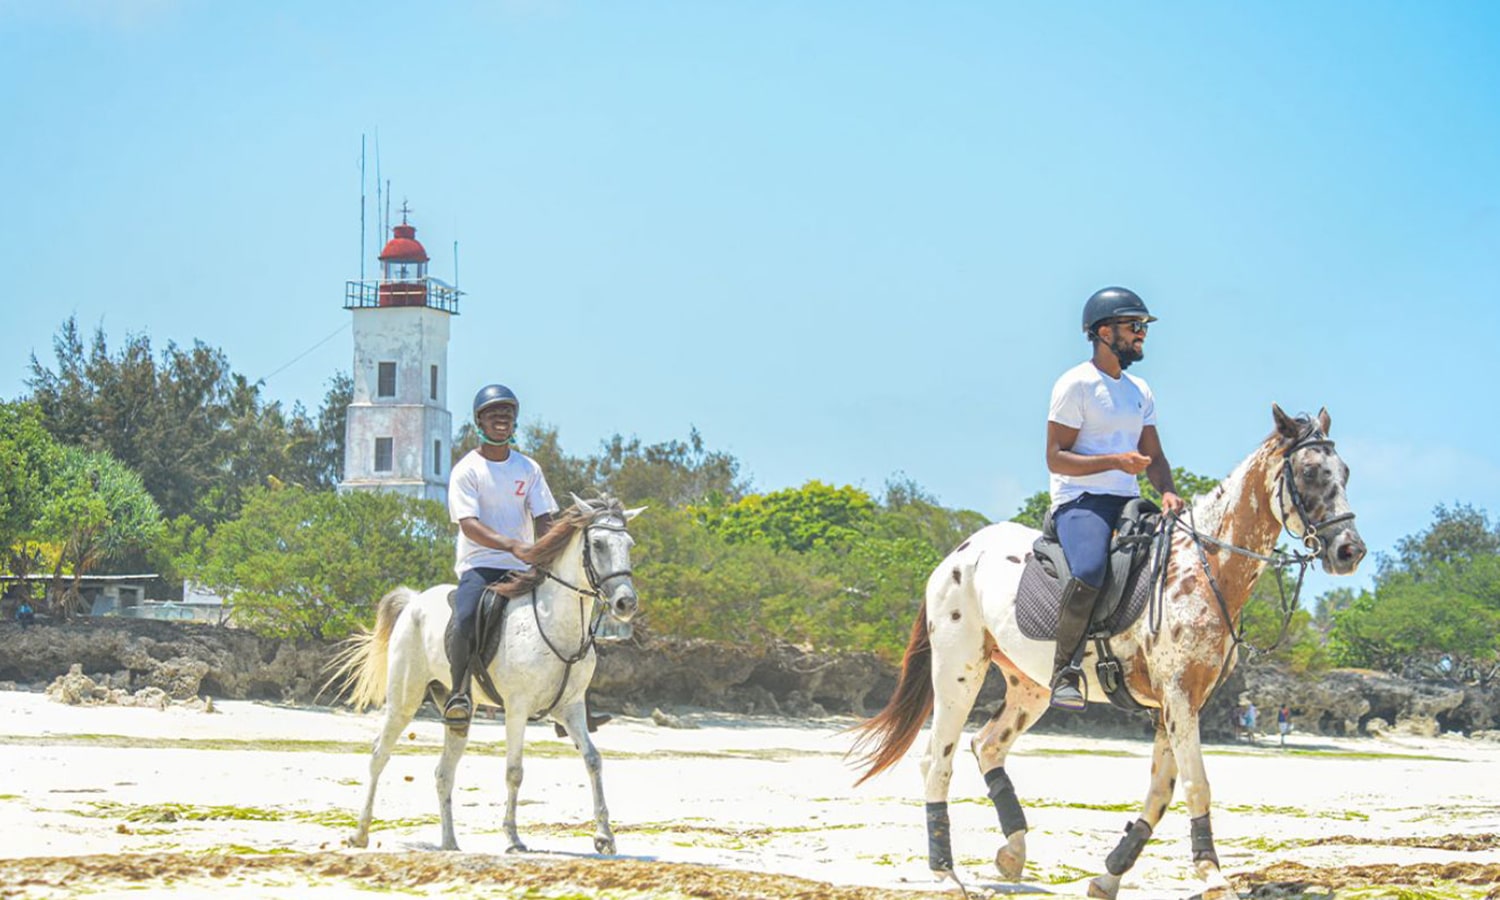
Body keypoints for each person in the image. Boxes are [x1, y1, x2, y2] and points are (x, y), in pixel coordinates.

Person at [1044, 287, 1184, 712]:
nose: (1141, 334)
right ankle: (1065, 670)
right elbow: (1055, 458)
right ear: (1103, 332)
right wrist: (1114, 461)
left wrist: (1168, 491)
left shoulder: (1140, 389)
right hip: (1082, 501)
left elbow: (1154, 456)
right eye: (1133, 326)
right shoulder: (1076, 385)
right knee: (1088, 570)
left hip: (1128, 500)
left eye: (1142, 327)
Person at [444, 384, 559, 736]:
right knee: (464, 618)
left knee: (570, 612)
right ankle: (459, 693)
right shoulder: (467, 470)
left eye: (507, 415)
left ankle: (569, 697)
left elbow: (544, 516)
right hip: (481, 564)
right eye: (494, 415)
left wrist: (548, 548)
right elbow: (469, 526)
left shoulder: (529, 468)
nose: (502, 420)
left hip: (522, 565)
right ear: (479, 420)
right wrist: (513, 545)